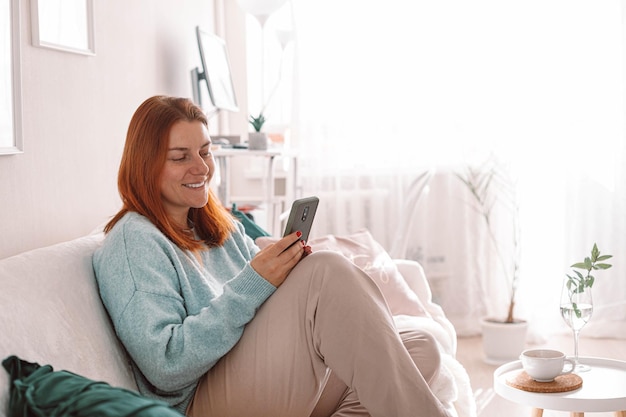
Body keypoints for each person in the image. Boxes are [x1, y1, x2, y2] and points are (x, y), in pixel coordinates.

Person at [93, 95, 452, 417]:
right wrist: (259, 281)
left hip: (249, 375)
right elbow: (166, 365)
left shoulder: (218, 226)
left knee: (422, 350)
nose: (201, 168)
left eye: (204, 151)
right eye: (180, 157)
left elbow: (265, 307)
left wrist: (288, 272)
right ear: (145, 164)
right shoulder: (134, 240)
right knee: (326, 273)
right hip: (198, 400)